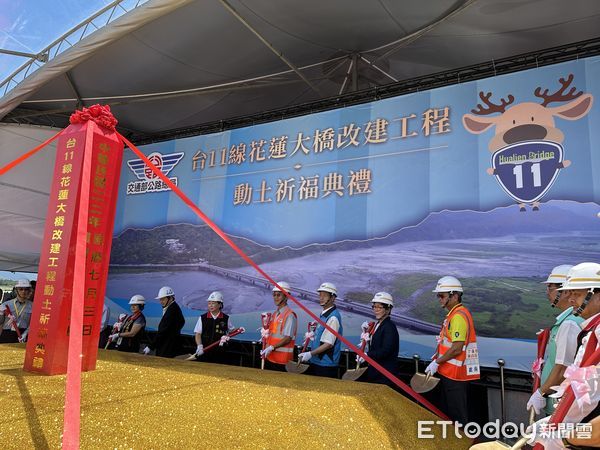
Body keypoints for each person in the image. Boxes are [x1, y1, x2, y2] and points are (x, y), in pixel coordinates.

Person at [529, 262, 600, 449]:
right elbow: (583, 386)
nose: (571, 300)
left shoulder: (595, 334)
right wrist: (558, 423)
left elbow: (587, 391)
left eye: (577, 294)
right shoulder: (591, 332)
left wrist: (564, 436)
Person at [527, 264, 584, 416]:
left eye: (550, 288)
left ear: (565, 291)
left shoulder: (570, 323)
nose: (547, 293)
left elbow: (562, 370)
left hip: (560, 406)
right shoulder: (568, 321)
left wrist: (541, 393)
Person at [425, 276, 480, 425]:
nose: (439, 299)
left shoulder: (458, 317)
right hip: (451, 373)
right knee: (452, 414)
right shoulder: (455, 315)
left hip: (455, 375)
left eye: (442, 296)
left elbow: (456, 348)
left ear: (454, 296)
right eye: (438, 296)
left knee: (457, 417)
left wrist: (437, 362)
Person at [298, 282, 343, 378]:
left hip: (326, 365)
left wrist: (310, 354)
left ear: (333, 298)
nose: (321, 298)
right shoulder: (324, 314)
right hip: (318, 362)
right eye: (320, 295)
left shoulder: (333, 317)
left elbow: (328, 344)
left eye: (325, 296)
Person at [358, 292, 400, 386]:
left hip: (384, 375)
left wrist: (367, 355)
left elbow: (385, 351)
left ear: (388, 309)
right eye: (374, 307)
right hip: (376, 372)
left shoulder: (389, 327)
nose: (376, 310)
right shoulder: (378, 324)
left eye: (379, 307)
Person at [260, 281, 297, 371]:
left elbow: (288, 338)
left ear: (286, 296)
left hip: (282, 361)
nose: (276, 297)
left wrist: (272, 347)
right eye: (274, 295)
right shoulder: (275, 314)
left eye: (279, 295)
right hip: (271, 358)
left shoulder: (289, 315)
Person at [143, 286, 185, 358]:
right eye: (160, 299)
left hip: (167, 348)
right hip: (169, 346)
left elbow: (163, 331)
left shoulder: (172, 311)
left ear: (170, 298)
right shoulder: (174, 308)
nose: (161, 302)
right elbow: (182, 321)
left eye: (163, 299)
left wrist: (150, 346)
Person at [193, 291, 233, 363]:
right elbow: (198, 334)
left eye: (213, 303)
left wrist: (239, 329)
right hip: (204, 351)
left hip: (220, 352)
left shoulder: (226, 318)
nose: (210, 305)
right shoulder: (203, 318)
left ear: (220, 304)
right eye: (209, 303)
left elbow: (231, 331)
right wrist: (199, 346)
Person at [0, 278, 34, 343]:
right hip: (7, 335)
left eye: (26, 289)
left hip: (22, 336)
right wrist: (1, 313)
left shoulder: (33, 306)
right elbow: (0, 322)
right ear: (16, 291)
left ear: (29, 291)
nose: (23, 291)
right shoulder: (6, 304)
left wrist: (26, 333)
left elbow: (33, 323)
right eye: (21, 289)